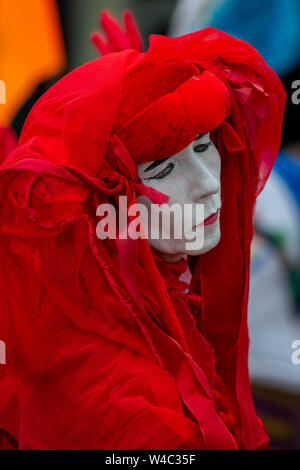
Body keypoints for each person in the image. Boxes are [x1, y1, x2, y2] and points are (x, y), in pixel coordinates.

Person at [0, 21, 285, 449]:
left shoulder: (169, 294)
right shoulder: (132, 408)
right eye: (163, 169)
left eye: (205, 144)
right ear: (103, 204)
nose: (208, 183)